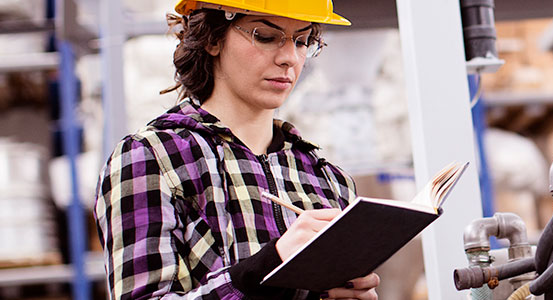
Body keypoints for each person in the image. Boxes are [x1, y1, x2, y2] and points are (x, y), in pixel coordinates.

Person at [94, 0, 379, 299]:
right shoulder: (151, 159)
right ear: (213, 38)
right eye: (265, 36)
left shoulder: (328, 179)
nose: (289, 58)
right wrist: (266, 267)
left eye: (302, 40)